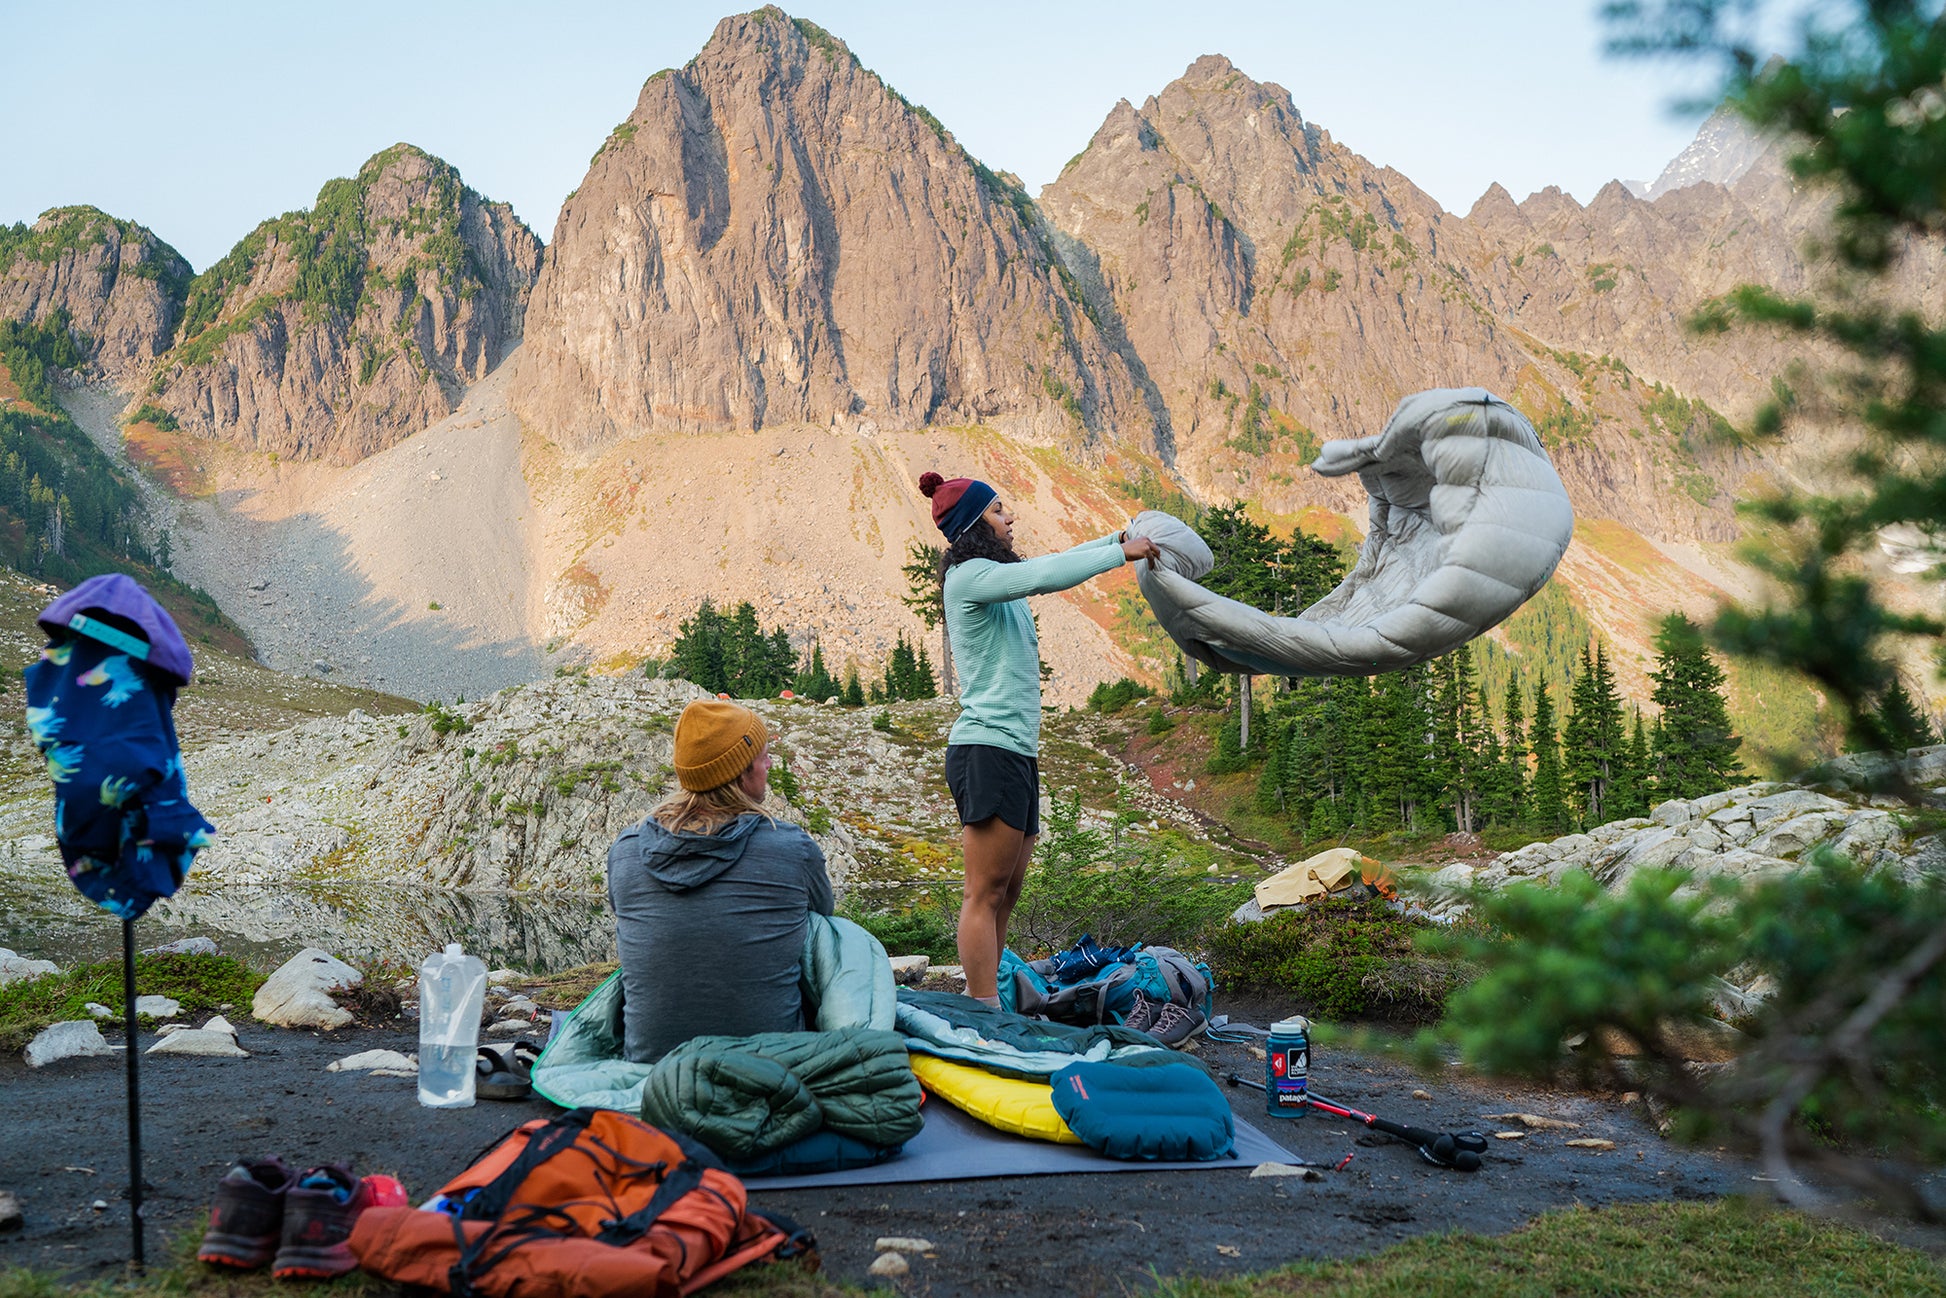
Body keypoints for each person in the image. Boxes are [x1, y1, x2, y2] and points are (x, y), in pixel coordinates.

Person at [920, 471, 1161, 1006]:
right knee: (983, 893)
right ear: (974, 526)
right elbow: (1041, 575)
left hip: (1015, 753)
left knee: (1007, 893)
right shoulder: (968, 577)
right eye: (999, 511)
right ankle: (982, 1008)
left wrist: (1115, 541)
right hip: (986, 750)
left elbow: (1038, 567)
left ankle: (995, 997)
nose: (1011, 519)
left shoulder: (991, 577)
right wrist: (1119, 555)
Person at [607, 699, 833, 1063]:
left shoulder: (626, 851)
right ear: (742, 773)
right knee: (826, 932)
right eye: (764, 756)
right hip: (773, 1065)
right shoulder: (792, 847)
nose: (770, 764)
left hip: (653, 1068)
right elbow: (825, 916)